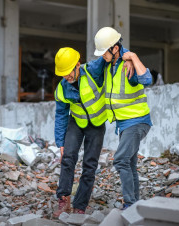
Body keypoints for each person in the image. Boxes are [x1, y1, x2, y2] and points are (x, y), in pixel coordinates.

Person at [93, 27, 153, 209]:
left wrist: (133, 57)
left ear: (115, 49)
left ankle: (129, 204)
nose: (102, 56)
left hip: (137, 121)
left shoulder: (129, 64)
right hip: (124, 124)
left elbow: (147, 79)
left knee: (120, 160)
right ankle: (135, 205)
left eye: (104, 52)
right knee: (129, 163)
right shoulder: (110, 64)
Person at [53, 47, 107, 217]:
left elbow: (108, 54)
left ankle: (80, 206)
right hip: (76, 121)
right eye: (62, 74)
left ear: (77, 65)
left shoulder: (92, 71)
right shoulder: (62, 88)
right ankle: (63, 199)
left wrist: (128, 56)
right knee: (68, 157)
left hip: (96, 124)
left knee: (90, 165)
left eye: (68, 72)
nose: (66, 77)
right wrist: (60, 142)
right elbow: (61, 115)